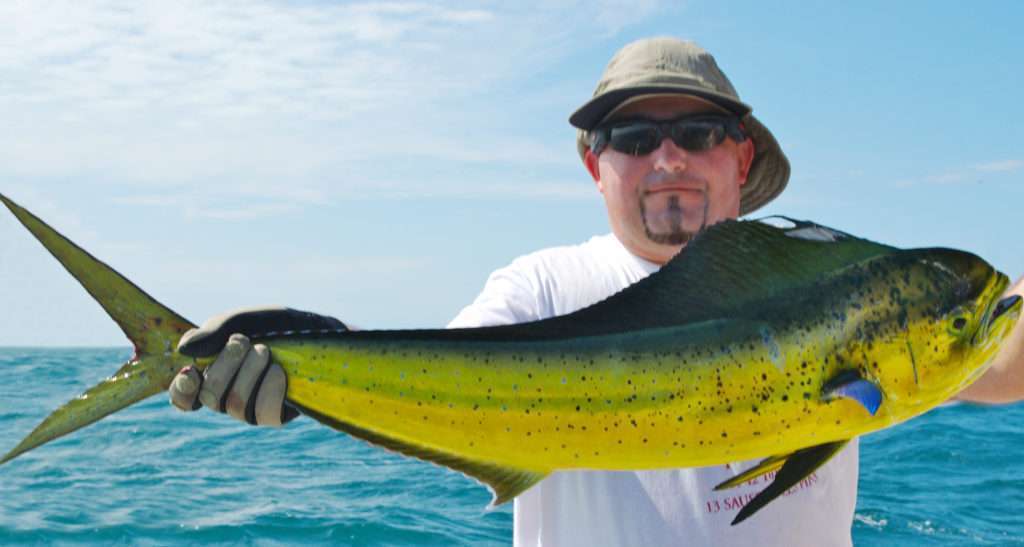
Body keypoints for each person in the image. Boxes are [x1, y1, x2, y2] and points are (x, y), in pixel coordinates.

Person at [168, 37, 1024, 545]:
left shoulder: (835, 297)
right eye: (633, 136)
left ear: (742, 157)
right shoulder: (540, 289)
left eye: (698, 132)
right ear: (595, 164)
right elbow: (436, 387)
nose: (668, 158)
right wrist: (303, 363)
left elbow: (1002, 363)